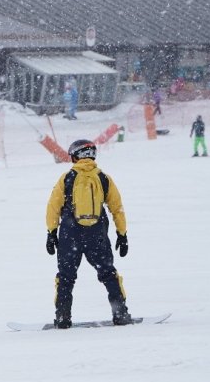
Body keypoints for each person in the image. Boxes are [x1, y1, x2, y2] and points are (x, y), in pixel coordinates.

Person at [45, 139, 132, 329]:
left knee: (66, 277)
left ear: (75, 156)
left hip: (70, 234)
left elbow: (53, 207)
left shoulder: (67, 177)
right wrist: (122, 234)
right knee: (108, 274)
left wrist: (51, 233)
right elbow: (117, 208)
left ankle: (62, 317)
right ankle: (120, 313)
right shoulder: (104, 178)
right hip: (97, 235)